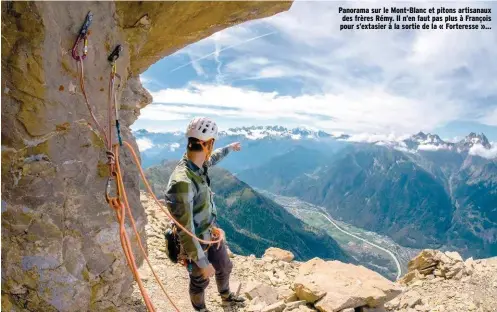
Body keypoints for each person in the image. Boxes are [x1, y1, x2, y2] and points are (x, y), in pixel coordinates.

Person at [164, 117, 245, 312]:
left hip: (210, 233)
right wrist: (201, 261)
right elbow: (185, 230)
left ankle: (226, 298)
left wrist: (229, 148)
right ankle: (200, 310)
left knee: (224, 266)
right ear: (206, 143)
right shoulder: (182, 182)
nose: (212, 148)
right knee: (200, 280)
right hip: (195, 242)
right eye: (212, 143)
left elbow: (213, 157)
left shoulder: (199, 164)